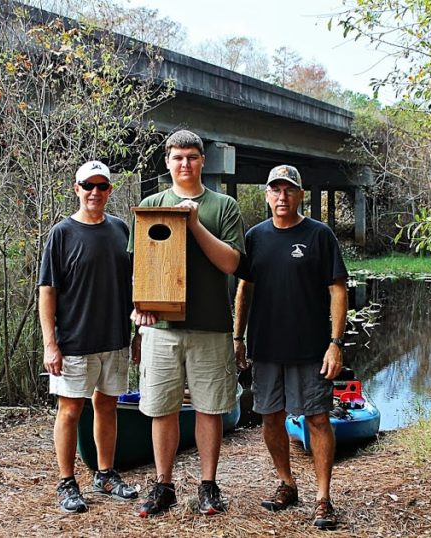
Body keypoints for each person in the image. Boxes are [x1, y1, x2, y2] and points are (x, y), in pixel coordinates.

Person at [129, 130, 244, 517]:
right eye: (178, 158)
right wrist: (139, 309)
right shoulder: (151, 205)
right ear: (167, 162)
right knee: (161, 408)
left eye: (192, 157)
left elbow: (231, 264)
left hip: (210, 327)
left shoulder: (223, 205)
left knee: (210, 409)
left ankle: (208, 486)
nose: (185, 164)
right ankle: (163, 486)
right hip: (161, 331)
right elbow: (139, 268)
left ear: (202, 161)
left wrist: (193, 223)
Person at [233, 164, 348, 530]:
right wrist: (238, 337)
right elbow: (244, 290)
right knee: (269, 417)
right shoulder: (254, 237)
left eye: (289, 190)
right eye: (275, 190)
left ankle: (323, 498)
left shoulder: (319, 235)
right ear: (267, 195)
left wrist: (335, 343)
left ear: (300, 195)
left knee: (317, 419)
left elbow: (338, 290)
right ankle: (287, 482)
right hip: (265, 348)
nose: (282, 197)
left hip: (311, 348)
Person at [38, 160, 140, 514]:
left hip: (114, 337)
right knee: (69, 410)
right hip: (74, 341)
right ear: (76, 188)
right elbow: (47, 291)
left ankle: (106, 473)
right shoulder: (62, 233)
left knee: (107, 405)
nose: (95, 192)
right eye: (88, 186)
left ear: (110, 190)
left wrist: (137, 333)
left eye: (102, 186)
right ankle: (67, 482)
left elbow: (135, 286)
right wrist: (51, 344)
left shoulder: (122, 230)